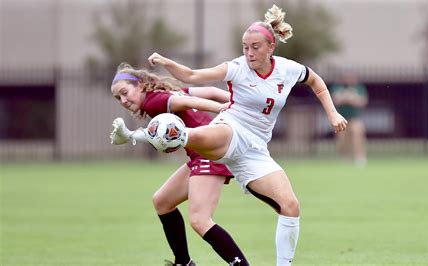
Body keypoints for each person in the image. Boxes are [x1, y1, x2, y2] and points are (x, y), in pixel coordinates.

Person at [115, 5, 347, 265]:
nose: (249, 53)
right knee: (206, 138)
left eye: (255, 47)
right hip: (232, 127)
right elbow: (193, 75)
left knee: (291, 207)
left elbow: (316, 82)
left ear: (271, 47)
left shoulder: (288, 69)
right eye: (245, 47)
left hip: (257, 149)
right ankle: (177, 136)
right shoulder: (237, 67)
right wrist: (168, 63)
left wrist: (333, 114)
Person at [109, 63, 249, 266]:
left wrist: (220, 108)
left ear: (140, 85)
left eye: (124, 92)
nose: (123, 100)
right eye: (118, 98)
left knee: (200, 221)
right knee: (162, 201)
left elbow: (187, 102)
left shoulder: (154, 102)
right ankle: (183, 262)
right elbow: (209, 91)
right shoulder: (162, 94)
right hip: (201, 155)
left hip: (209, 154)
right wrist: (242, 104)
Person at [331, 72, 368, 166]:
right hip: (341, 118)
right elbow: (336, 101)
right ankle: (345, 159)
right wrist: (348, 97)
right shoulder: (337, 87)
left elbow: (362, 101)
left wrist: (349, 98)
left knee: (357, 134)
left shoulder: (359, 87)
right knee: (342, 139)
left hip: (354, 118)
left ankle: (360, 157)